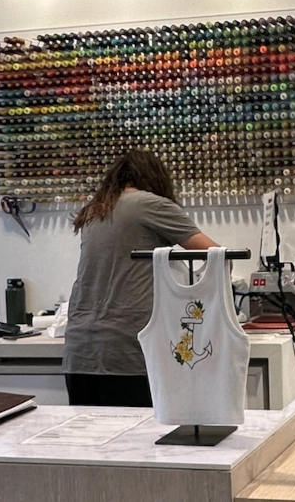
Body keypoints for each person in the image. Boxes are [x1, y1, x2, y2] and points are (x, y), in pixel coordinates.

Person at [63, 150, 217, 407]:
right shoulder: (153, 204)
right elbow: (216, 255)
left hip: (79, 351)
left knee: (93, 443)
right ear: (157, 178)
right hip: (127, 353)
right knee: (138, 442)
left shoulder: (95, 209)